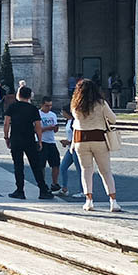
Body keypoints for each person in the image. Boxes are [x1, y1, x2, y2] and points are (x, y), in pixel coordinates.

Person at [70, 78, 121, 212]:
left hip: (80, 139)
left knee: (86, 170)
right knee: (105, 171)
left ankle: (89, 201)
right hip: (98, 138)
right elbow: (113, 119)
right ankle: (113, 201)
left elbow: (75, 121)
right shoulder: (101, 103)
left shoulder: (75, 104)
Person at [3, 85, 54, 200]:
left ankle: (20, 190)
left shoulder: (12, 107)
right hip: (29, 139)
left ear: (18, 94)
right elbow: (38, 126)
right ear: (29, 96)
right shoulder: (33, 108)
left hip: (16, 139)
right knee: (36, 165)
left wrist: (6, 137)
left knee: (18, 166)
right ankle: (43, 190)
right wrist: (39, 140)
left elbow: (6, 123)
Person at [56, 107, 83, 197]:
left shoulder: (75, 122)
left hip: (76, 148)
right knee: (63, 167)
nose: (61, 113)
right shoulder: (68, 121)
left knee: (80, 170)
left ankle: (83, 190)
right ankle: (64, 189)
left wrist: (68, 142)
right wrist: (67, 142)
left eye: (62, 111)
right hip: (70, 148)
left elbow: (78, 136)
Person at [38, 97, 61, 192]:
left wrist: (55, 128)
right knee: (41, 165)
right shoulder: (38, 114)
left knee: (56, 163)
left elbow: (55, 129)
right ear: (42, 105)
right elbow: (36, 129)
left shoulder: (53, 115)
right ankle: (42, 184)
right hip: (41, 141)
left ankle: (54, 183)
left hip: (51, 141)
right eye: (47, 105)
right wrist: (47, 128)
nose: (49, 107)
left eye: (50, 105)